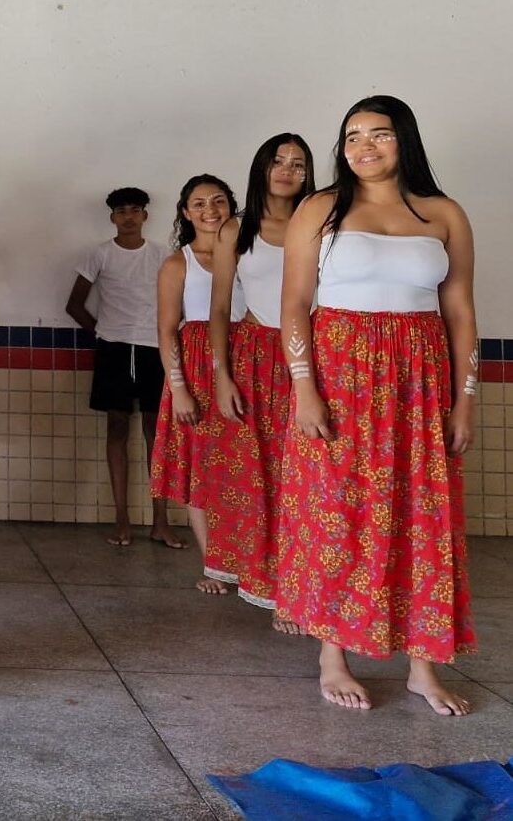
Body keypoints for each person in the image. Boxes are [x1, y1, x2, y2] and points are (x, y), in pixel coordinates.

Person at [278, 96, 476, 714]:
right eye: (352, 136)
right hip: (339, 377)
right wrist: (304, 387)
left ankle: (423, 665)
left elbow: (460, 311)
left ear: (404, 139)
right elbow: (294, 305)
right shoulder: (319, 208)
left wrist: (465, 401)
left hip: (420, 383)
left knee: (422, 515)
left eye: (379, 134)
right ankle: (332, 656)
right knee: (336, 512)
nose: (364, 146)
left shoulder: (444, 212)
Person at [207, 134, 315, 631]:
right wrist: (222, 374)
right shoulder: (237, 228)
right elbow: (219, 308)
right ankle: (273, 588)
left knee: (309, 474)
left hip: (314, 357)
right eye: (278, 161)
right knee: (264, 476)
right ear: (261, 168)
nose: (287, 170)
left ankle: (309, 585)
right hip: (255, 358)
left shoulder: (323, 221)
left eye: (298, 163)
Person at [66, 188, 182, 548]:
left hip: (154, 348)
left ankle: (160, 521)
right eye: (121, 211)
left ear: (145, 215)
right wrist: (104, 332)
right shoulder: (100, 254)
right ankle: (121, 519)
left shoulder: (164, 256)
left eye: (135, 210)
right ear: (112, 218)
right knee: (116, 428)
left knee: (155, 431)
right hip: (113, 349)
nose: (128, 217)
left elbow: (180, 302)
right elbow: (74, 304)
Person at [149, 176, 245, 590]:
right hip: (197, 370)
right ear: (186, 213)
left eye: (219, 201)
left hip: (246, 362)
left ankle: (249, 560)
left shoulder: (249, 254)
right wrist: (179, 388)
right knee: (201, 467)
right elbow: (167, 330)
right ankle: (213, 564)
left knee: (243, 465)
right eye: (200, 203)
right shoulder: (178, 263)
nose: (210, 210)